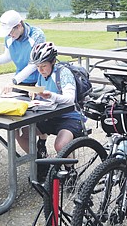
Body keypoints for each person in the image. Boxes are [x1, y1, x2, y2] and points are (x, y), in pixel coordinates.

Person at [16, 42, 85, 181]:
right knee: (21, 134)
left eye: (43, 66)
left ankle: (70, 172)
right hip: (49, 115)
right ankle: (41, 162)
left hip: (69, 118)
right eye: (38, 67)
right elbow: (39, 87)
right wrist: (34, 93)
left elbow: (70, 99)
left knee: (60, 146)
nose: (40, 70)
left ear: (53, 62)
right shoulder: (42, 74)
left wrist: (51, 95)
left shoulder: (63, 73)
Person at [0, 10, 46, 93]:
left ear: (19, 26)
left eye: (10, 32)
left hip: (38, 82)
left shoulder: (37, 36)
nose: (10, 35)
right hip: (20, 81)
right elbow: (7, 56)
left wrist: (13, 81)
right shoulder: (9, 38)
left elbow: (33, 64)